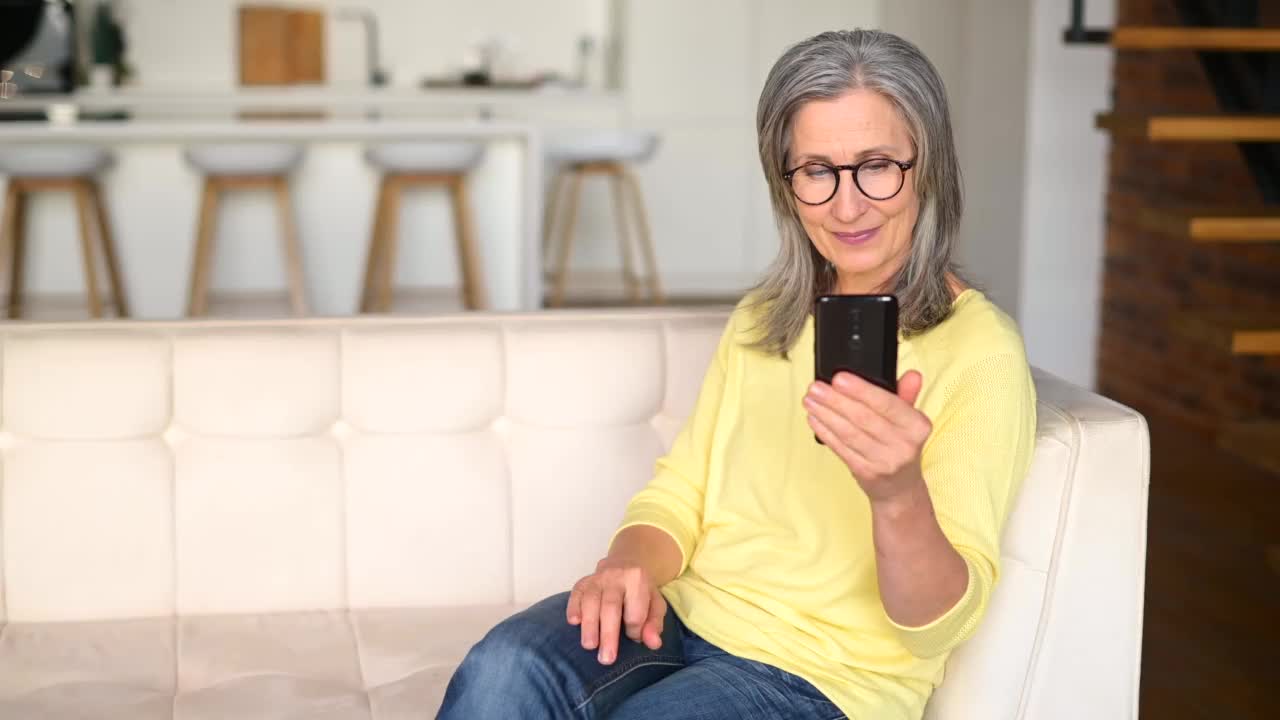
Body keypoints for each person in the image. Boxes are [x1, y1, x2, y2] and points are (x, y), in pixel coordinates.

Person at [437, 28, 1036, 720]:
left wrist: (897, 495)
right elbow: (682, 492)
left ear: (926, 166)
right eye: (817, 170)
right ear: (785, 184)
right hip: (686, 619)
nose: (848, 206)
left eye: (877, 165)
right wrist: (626, 564)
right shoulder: (765, 317)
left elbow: (937, 624)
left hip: (820, 679)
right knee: (502, 668)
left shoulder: (981, 352)